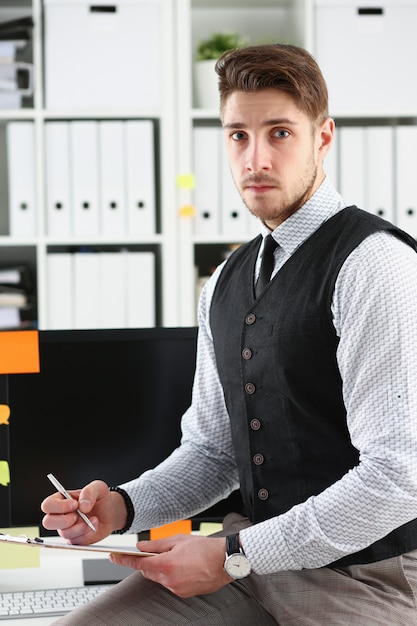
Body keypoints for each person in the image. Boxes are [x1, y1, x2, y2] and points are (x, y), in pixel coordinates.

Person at [41, 44, 417, 625]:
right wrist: (122, 506)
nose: (256, 158)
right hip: (246, 563)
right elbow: (215, 452)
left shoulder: (375, 265)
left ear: (323, 138)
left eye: (281, 133)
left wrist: (235, 556)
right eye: (238, 135)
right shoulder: (223, 282)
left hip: (361, 576)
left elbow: (400, 474)